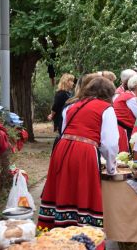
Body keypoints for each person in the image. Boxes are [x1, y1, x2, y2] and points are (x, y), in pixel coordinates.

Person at [38, 77, 119, 229]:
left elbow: (64, 131)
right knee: (82, 189)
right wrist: (111, 168)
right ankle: (83, 232)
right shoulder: (106, 108)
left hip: (62, 149)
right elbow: (110, 144)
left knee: (63, 187)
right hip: (84, 152)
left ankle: (59, 230)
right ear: (108, 93)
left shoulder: (72, 106)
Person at [113, 75, 137, 152]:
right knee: (125, 157)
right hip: (123, 131)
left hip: (122, 129)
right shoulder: (131, 98)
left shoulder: (127, 95)